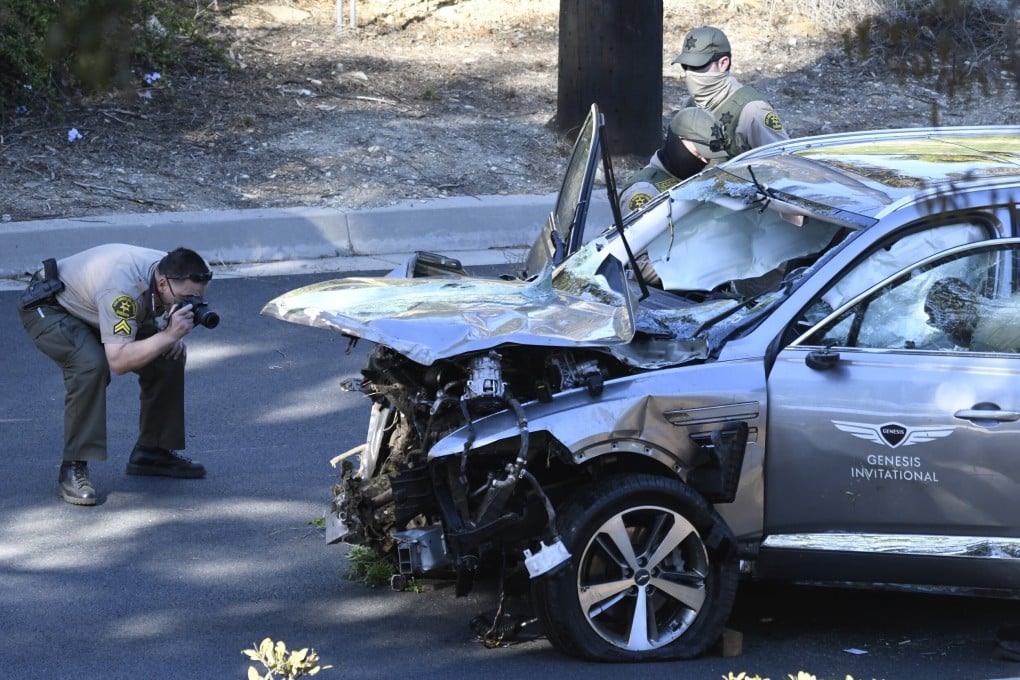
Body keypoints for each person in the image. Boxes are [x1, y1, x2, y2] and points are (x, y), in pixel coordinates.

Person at [18, 244, 213, 506]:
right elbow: (118, 361)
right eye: (185, 298)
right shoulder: (122, 291)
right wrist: (168, 335)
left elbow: (158, 308)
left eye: (196, 299)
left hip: (97, 304)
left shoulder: (174, 271)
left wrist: (167, 331)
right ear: (164, 284)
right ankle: (72, 468)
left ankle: (152, 451)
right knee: (90, 365)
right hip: (53, 305)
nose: (189, 304)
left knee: (169, 357)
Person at [673, 26, 788, 156]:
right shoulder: (690, 105)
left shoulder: (753, 111)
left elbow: (782, 164)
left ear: (723, 63)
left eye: (698, 66)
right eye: (685, 66)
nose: (689, 73)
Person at [619, 106, 730, 214]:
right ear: (677, 142)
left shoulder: (691, 181)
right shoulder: (645, 192)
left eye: (708, 158)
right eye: (698, 154)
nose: (705, 162)